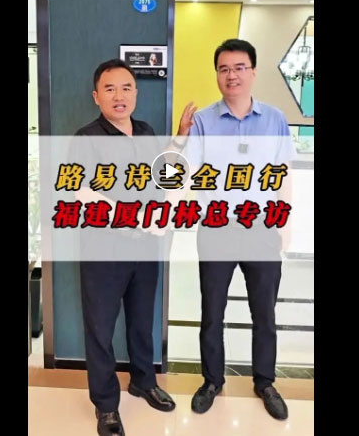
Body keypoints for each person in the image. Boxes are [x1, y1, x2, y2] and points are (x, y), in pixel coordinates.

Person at [73, 59, 194, 436]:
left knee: (143, 321)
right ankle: (106, 405)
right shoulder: (85, 138)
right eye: (109, 89)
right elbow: (83, 194)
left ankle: (143, 382)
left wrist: (180, 138)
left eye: (126, 87)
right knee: (100, 329)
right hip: (103, 252)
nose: (119, 95)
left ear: (136, 93)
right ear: (96, 97)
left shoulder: (145, 131)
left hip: (144, 251)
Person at [185, 39, 296, 421]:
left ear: (253, 71)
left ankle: (265, 382)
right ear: (217, 74)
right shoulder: (203, 121)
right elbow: (184, 173)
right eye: (223, 69)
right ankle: (212, 381)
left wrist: (284, 223)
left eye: (239, 67)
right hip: (216, 228)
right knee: (212, 312)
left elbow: (283, 175)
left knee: (264, 313)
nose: (231, 75)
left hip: (261, 228)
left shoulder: (275, 119)